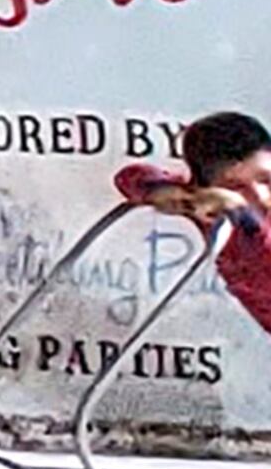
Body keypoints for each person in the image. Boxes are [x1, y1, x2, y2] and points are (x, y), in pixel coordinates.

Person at [113, 111, 271, 335]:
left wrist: (243, 215)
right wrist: (167, 192)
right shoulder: (213, 210)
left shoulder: (240, 216)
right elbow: (129, 176)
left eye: (266, 179)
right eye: (236, 187)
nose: (260, 197)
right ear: (207, 189)